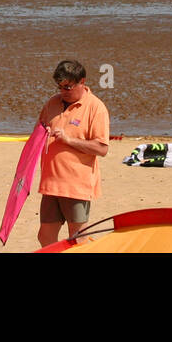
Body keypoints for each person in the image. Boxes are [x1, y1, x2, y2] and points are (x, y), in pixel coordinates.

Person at [36, 60, 110, 247]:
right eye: (60, 87)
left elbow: (102, 148)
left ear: (82, 82)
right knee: (44, 236)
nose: (63, 91)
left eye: (68, 87)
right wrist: (41, 135)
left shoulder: (96, 107)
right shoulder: (52, 103)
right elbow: (38, 133)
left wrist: (69, 140)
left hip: (76, 185)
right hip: (50, 184)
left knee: (78, 240)